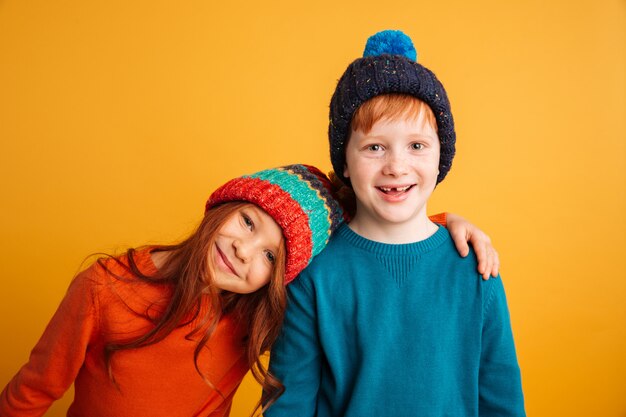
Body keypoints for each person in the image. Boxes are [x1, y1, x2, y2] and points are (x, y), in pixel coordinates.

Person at [0, 163, 495, 417]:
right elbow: (31, 392)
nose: (244, 251)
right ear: (225, 204)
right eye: (247, 222)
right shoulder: (104, 288)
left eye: (270, 257)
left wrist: (444, 221)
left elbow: (367, 248)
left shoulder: (253, 316)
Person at [265, 30, 525, 416]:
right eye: (374, 147)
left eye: (417, 145)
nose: (396, 166)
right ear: (346, 163)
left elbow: (501, 401)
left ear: (441, 157)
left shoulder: (475, 267)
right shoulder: (313, 274)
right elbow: (290, 405)